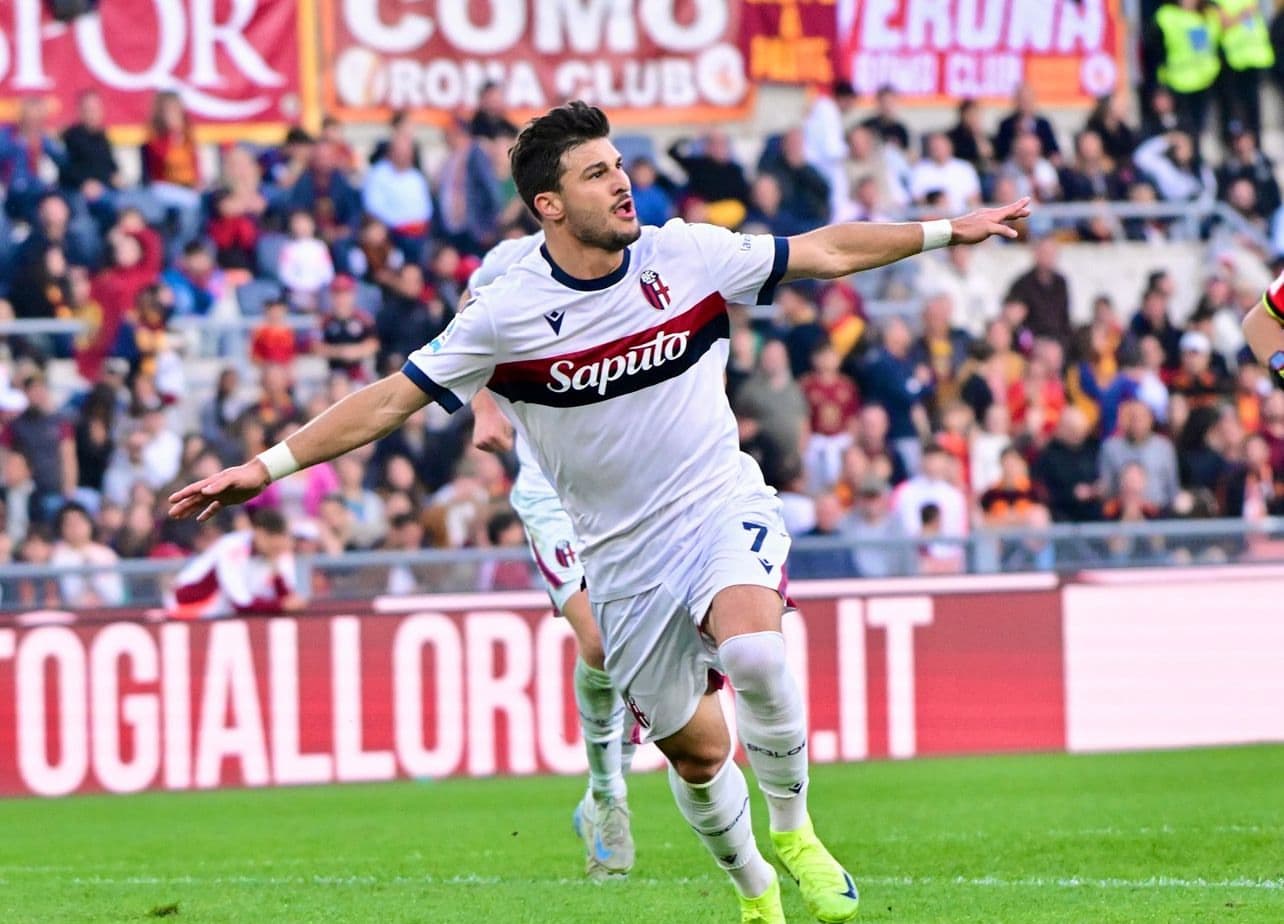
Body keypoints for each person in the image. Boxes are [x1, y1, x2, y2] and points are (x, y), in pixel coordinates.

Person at [168, 100, 1027, 924]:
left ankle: (797, 834)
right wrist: (263, 467)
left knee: (757, 652)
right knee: (698, 755)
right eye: (595, 174)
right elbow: (391, 399)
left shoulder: (685, 254)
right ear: (548, 205)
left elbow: (825, 249)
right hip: (620, 560)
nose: (622, 183)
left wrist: (948, 228)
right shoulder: (505, 312)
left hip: (716, 504)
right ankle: (755, 889)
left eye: (619, 166)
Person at [458, 230, 635, 881]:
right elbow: (465, 320)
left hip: (631, 487)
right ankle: (608, 797)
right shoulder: (511, 262)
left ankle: (601, 790)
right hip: (551, 490)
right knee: (600, 644)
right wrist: (483, 406)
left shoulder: (640, 255)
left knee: (644, 653)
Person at [167, 507, 304, 619]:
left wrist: (276, 573)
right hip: (188, 605)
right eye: (273, 545)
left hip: (222, 614)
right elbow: (240, 603)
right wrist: (281, 605)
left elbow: (286, 599)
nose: (276, 550)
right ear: (260, 534)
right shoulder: (232, 546)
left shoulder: (278, 554)